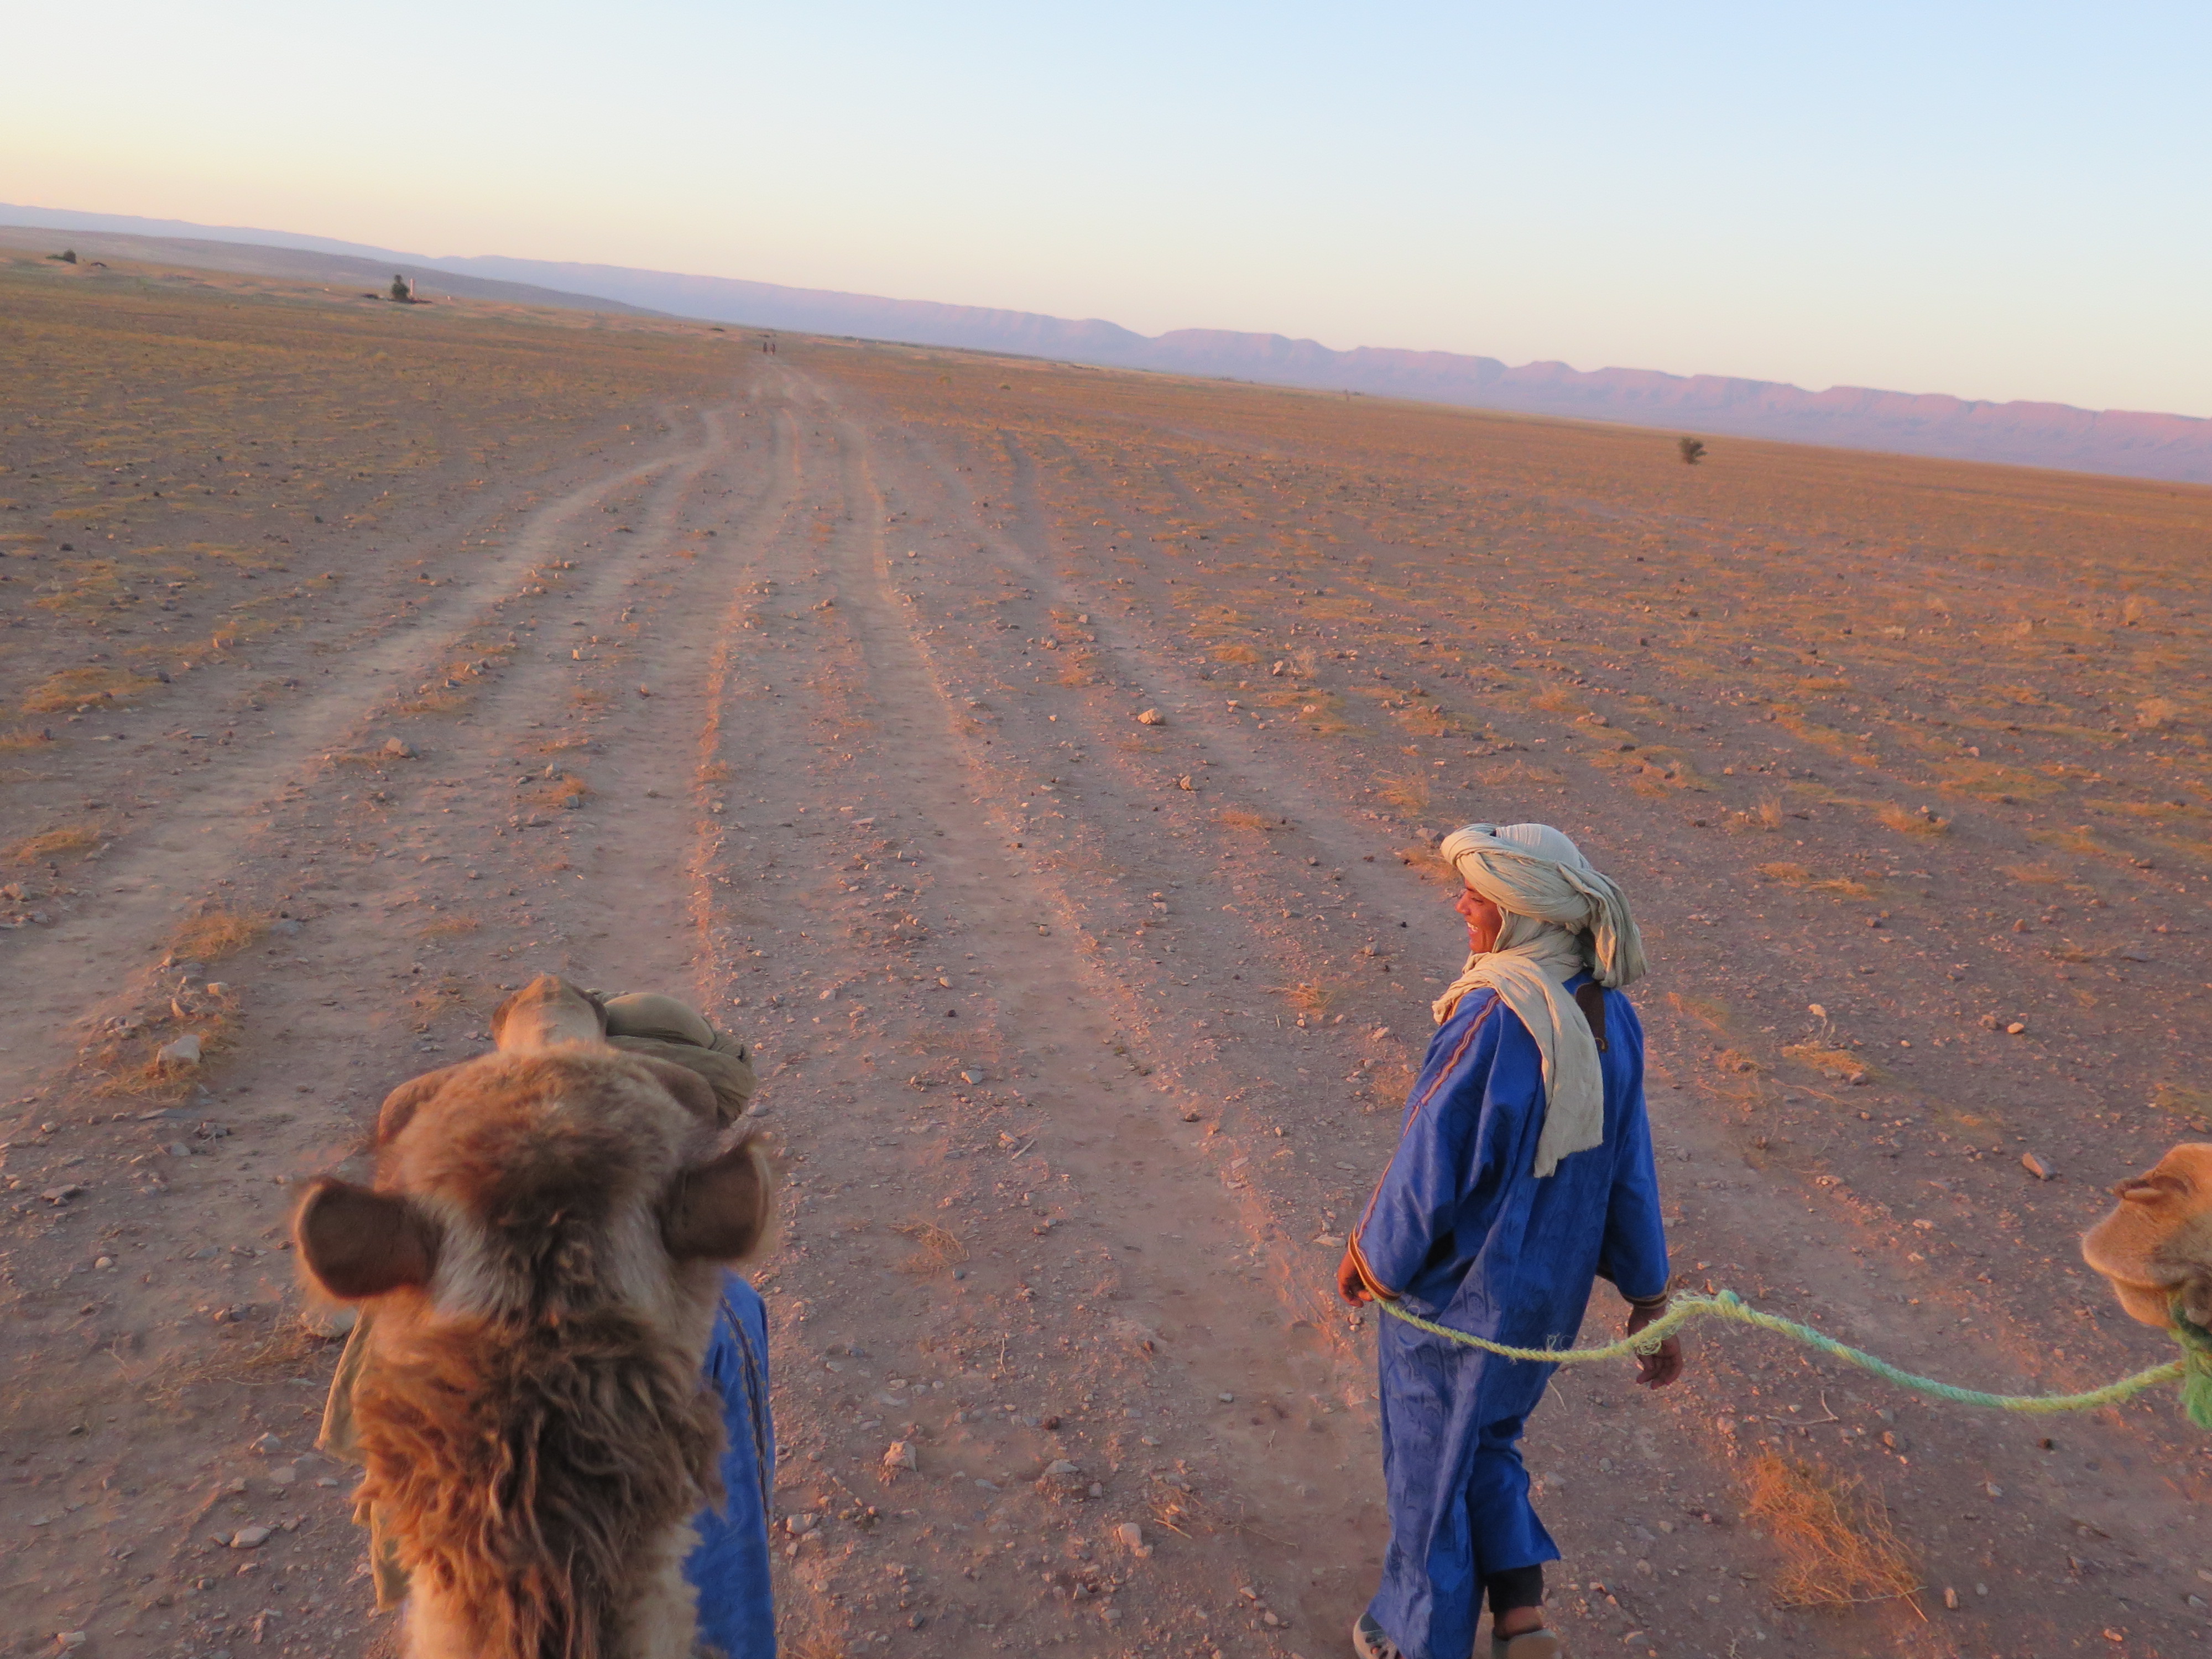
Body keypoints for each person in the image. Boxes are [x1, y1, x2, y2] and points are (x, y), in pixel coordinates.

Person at [1337, 823, 1682, 1659]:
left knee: (1429, 1465)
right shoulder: (1612, 1017)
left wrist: (1373, 1259)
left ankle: (1417, 1636)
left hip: (1459, 1295)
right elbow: (1630, 1168)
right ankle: (1522, 1615)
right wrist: (1649, 1297)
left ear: (1524, 913)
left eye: (1477, 897)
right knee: (1488, 1437)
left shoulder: (1493, 1017)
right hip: (1545, 1302)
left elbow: (1433, 1159)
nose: (1461, 907)